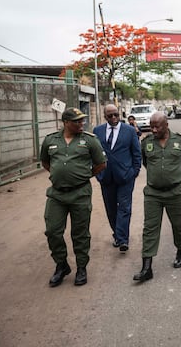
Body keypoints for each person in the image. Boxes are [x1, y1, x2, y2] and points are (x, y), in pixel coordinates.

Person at [40, 108, 106, 287]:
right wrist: (60, 175)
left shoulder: (89, 140)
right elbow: (46, 162)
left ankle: (81, 268)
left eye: (82, 120)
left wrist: (82, 176)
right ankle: (61, 265)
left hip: (80, 193)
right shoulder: (50, 140)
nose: (81, 124)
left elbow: (101, 164)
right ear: (66, 122)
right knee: (52, 231)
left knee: (80, 233)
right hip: (57, 194)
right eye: (77, 121)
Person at [133, 112, 181, 282]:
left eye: (157, 126)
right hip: (153, 193)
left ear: (167, 125)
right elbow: (145, 162)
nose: (154, 129)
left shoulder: (179, 141)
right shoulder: (146, 143)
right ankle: (146, 267)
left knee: (179, 225)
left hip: (175, 192)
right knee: (150, 228)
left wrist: (172, 177)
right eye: (152, 126)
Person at [93, 104, 142, 252]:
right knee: (111, 208)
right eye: (110, 116)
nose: (114, 118)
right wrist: (97, 173)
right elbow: (93, 153)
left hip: (126, 176)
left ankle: (122, 239)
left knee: (125, 208)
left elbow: (136, 152)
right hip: (106, 177)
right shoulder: (97, 131)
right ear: (104, 116)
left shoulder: (129, 130)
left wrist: (135, 171)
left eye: (116, 114)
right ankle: (117, 234)